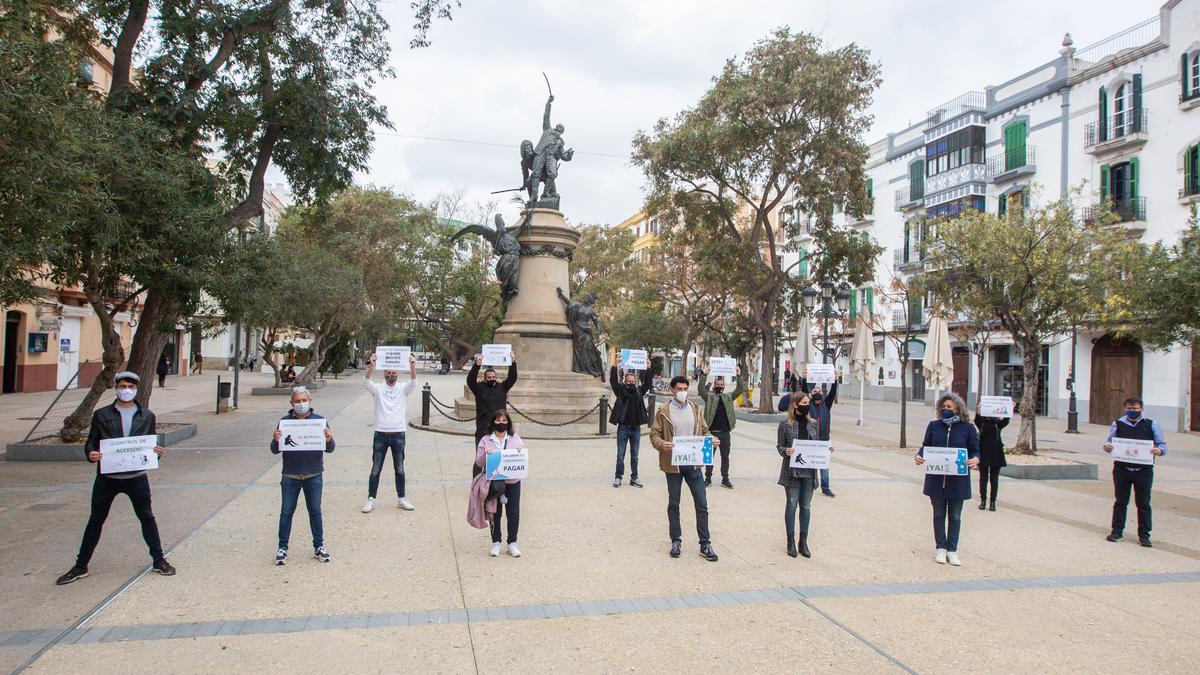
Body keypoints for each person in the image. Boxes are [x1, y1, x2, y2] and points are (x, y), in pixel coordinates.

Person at [56, 371, 174, 585]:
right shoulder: (102, 415)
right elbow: (92, 442)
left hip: (136, 477)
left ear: (136, 389)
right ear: (116, 388)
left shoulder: (147, 415)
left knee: (147, 517)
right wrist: (91, 454)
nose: (126, 389)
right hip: (107, 477)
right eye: (122, 385)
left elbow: (148, 445)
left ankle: (159, 560)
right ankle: (81, 565)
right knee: (96, 520)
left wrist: (156, 453)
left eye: (130, 386)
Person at [649, 375, 720, 562]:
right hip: (673, 464)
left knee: (702, 504)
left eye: (685, 388)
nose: (682, 392)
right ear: (672, 390)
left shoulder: (695, 409)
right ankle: (676, 540)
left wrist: (711, 438)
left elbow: (704, 431)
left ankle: (705, 543)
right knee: (674, 504)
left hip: (694, 463)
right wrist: (661, 444)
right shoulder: (663, 410)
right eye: (679, 388)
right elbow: (654, 433)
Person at [270, 386, 335, 565]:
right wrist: (276, 440)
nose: (301, 404)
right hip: (290, 475)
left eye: (303, 401)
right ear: (291, 403)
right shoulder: (284, 422)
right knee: (286, 512)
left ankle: (319, 546)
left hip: (313, 474)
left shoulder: (320, 421)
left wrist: (329, 439)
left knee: (315, 512)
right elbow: (274, 449)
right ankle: (282, 547)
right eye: (297, 401)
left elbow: (330, 448)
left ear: (309, 402)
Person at [914, 393, 980, 566]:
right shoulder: (934, 426)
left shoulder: (967, 428)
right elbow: (926, 446)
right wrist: (919, 456)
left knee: (955, 516)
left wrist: (975, 459)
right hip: (937, 479)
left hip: (958, 480)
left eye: (949, 407)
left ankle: (952, 549)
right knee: (938, 514)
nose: (945, 410)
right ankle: (941, 548)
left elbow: (975, 449)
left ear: (957, 409)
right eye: (943, 407)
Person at [1103, 396, 1166, 547]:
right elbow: (1109, 442)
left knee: (1143, 503)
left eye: (1135, 408)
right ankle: (1117, 532)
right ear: (1125, 408)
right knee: (1120, 501)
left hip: (1143, 470)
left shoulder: (1152, 425)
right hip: (1122, 469)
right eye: (1129, 409)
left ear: (1141, 409)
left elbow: (1162, 444)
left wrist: (1159, 451)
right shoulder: (1117, 424)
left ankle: (1144, 535)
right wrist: (1107, 447)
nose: (1132, 411)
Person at [360, 352, 418, 513]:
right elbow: (366, 382)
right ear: (384, 373)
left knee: (399, 468)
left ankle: (402, 498)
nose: (391, 375)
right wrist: (371, 365)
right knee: (375, 469)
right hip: (381, 433)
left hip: (398, 433)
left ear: (397, 374)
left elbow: (413, 382)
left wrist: (413, 365)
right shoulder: (378, 389)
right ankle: (371, 499)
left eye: (393, 373)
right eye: (388, 372)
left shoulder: (402, 389)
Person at [476, 410, 524, 558]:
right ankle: (495, 541)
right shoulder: (485, 440)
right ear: (493, 423)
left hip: (512, 481)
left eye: (504, 420)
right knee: (494, 512)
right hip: (494, 481)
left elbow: (521, 456)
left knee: (513, 512)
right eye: (498, 420)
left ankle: (512, 543)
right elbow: (478, 461)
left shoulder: (515, 438)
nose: (501, 423)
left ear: (508, 422)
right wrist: (486, 454)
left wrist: (520, 452)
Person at [467, 350, 518, 474]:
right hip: (483, 428)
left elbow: (512, 378)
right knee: (480, 459)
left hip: (499, 429)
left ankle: (496, 486)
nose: (491, 379)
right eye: (489, 377)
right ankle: (477, 485)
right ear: (485, 378)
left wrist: (512, 362)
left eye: (493, 377)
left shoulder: (502, 388)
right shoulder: (479, 389)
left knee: (497, 458)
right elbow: (470, 381)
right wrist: (477, 365)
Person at [699, 364, 744, 489]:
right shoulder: (709, 396)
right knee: (709, 457)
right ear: (714, 385)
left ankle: (725, 479)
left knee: (725, 457)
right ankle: (708, 478)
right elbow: (701, 390)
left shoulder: (728, 396)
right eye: (717, 384)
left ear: (724, 386)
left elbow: (739, 390)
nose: (720, 386)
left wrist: (738, 375)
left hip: (725, 432)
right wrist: (704, 375)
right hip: (711, 432)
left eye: (721, 384)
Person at [798, 367, 840, 497]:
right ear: (811, 393)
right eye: (815, 391)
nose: (818, 392)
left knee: (824, 466)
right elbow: (804, 391)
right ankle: (807, 485)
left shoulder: (826, 404)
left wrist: (835, 380)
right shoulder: (808, 404)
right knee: (809, 464)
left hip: (824, 440)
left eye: (820, 391)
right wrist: (804, 378)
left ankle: (825, 487)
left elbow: (833, 392)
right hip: (810, 439)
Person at [609, 364, 652, 488]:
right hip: (623, 427)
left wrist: (648, 368)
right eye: (629, 381)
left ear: (636, 382)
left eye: (633, 381)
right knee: (620, 455)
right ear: (625, 381)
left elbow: (648, 383)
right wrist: (614, 366)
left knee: (635, 455)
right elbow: (613, 381)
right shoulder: (620, 391)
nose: (631, 383)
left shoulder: (639, 391)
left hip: (635, 428)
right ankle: (618, 477)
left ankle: (634, 477)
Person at [973, 410, 1009, 511]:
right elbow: (977, 420)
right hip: (984, 451)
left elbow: (1006, 420)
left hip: (996, 452)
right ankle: (983, 500)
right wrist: (978, 410)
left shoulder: (998, 423)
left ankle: (993, 502)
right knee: (983, 478)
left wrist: (1009, 408)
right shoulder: (982, 423)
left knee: (994, 479)